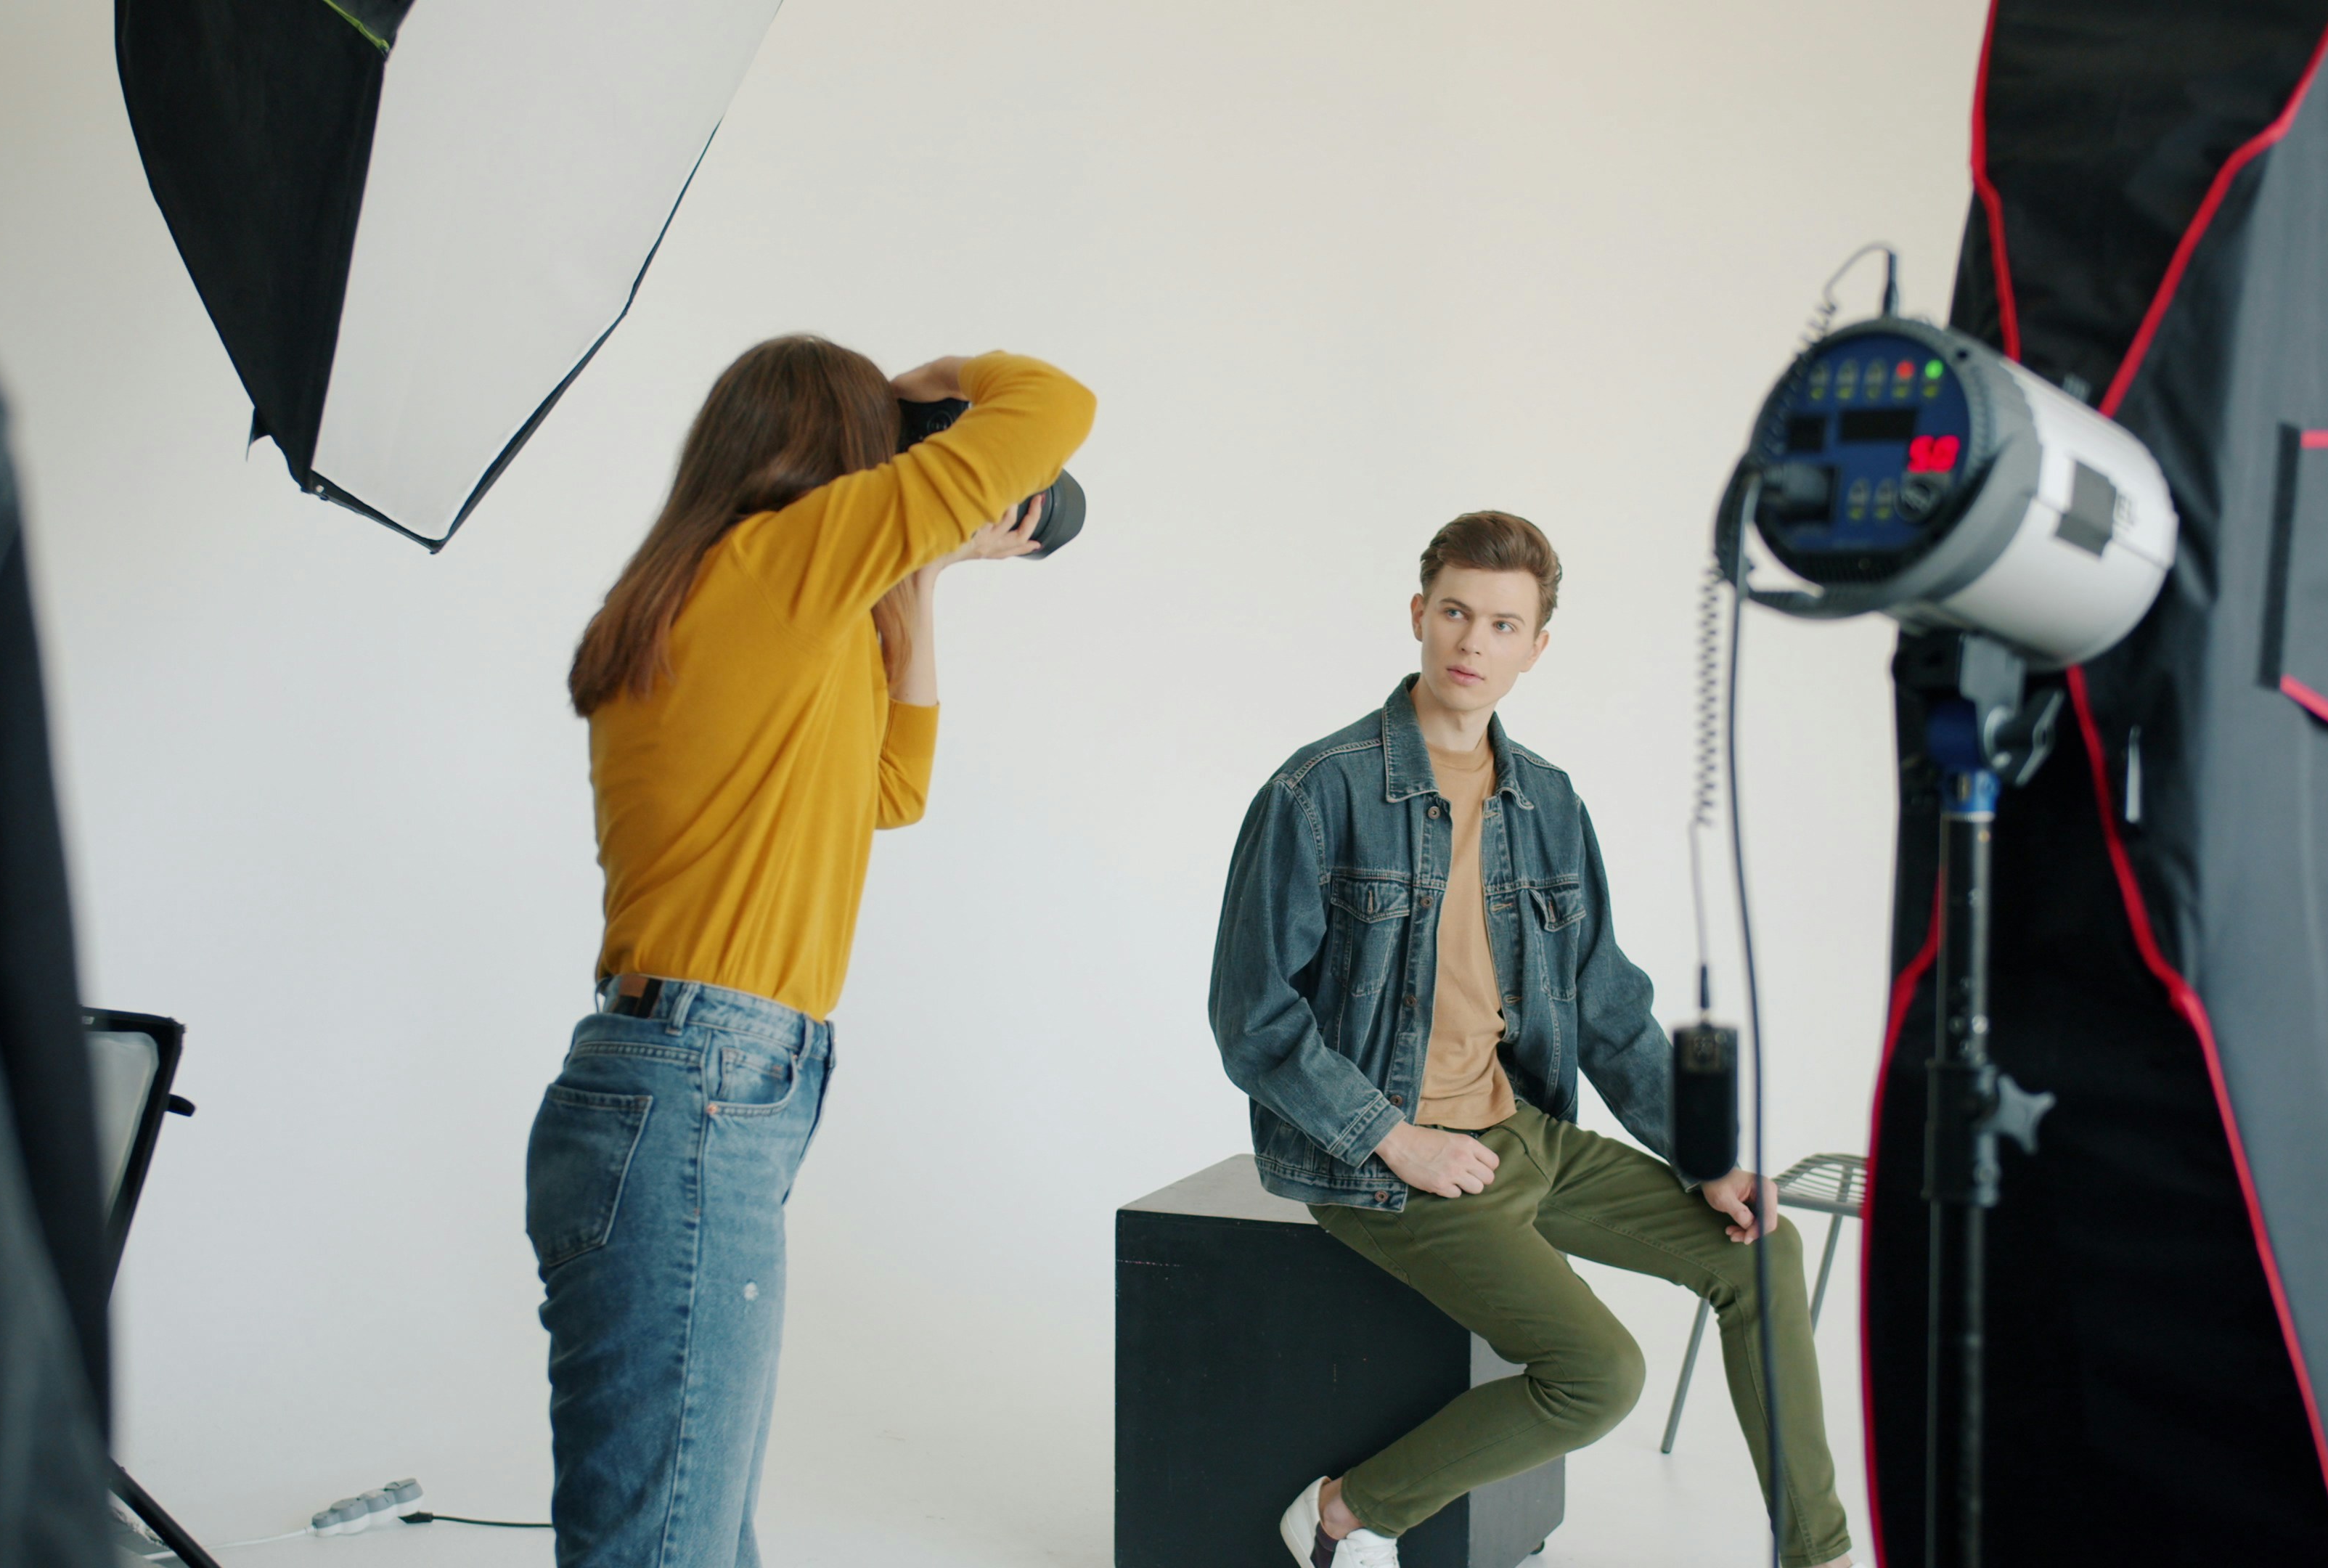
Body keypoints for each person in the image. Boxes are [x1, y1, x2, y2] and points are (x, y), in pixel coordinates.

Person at [531, 338, 1095, 1567]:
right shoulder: (783, 566)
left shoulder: (733, 602)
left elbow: (890, 789)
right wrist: (937, 384)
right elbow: (1056, 405)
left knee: (689, 1534)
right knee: (671, 1546)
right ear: (850, 459)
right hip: (698, 1092)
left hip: (682, 1087)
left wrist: (925, 583)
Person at [1206, 511, 1855, 1568]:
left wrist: (1708, 1158)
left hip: (1524, 1138)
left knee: (1764, 1251)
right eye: (1456, 612)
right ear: (1419, 616)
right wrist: (1393, 1136)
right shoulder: (1318, 792)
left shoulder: (1546, 801)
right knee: (1601, 1374)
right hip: (1381, 1171)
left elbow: (1610, 1004)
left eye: (1504, 624)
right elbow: (1251, 1016)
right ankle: (1344, 1515)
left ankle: (1817, 1554)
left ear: (1536, 646)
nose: (1473, 643)